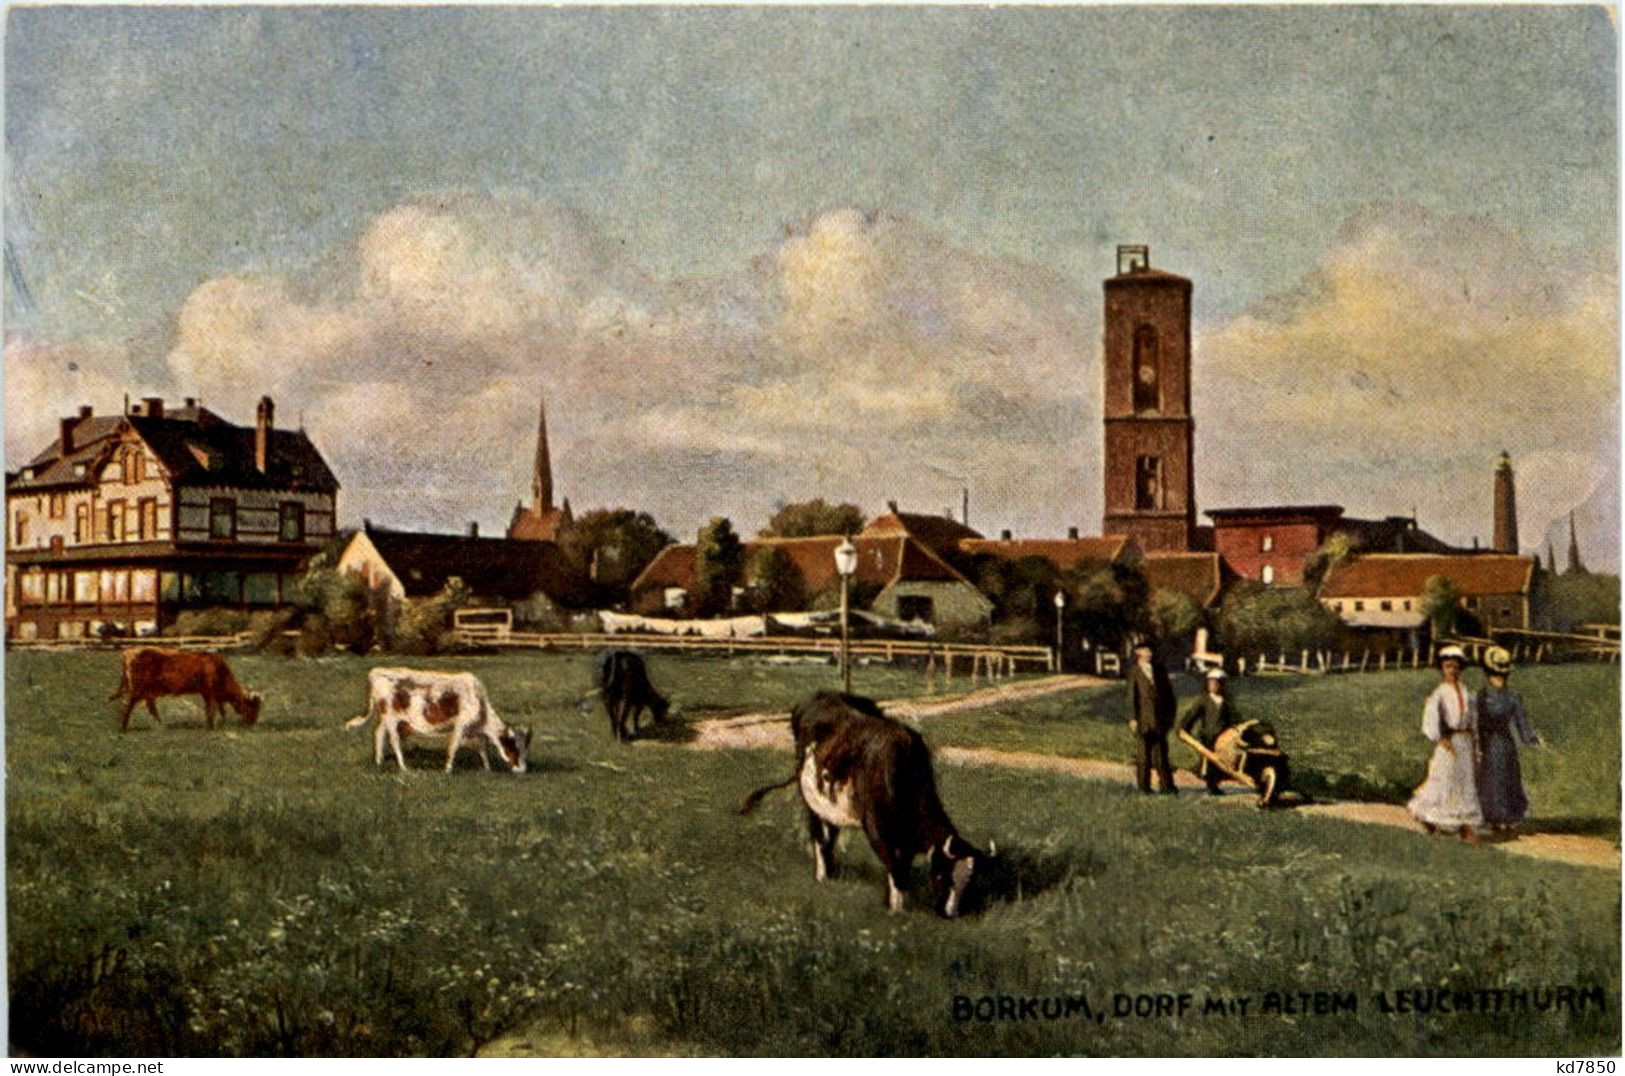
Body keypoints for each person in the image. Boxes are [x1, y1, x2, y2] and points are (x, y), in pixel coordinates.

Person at [1407, 644, 1483, 842]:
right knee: (1444, 779)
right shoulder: (1439, 693)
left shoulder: (1467, 692)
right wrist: (1440, 738)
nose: (1453, 670)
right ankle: (1433, 820)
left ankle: (1465, 826)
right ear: (1442, 668)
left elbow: (1474, 719)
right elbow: (1430, 720)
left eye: (1456, 666)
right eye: (1448, 666)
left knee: (1464, 781)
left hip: (1464, 740)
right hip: (1449, 741)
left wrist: (1476, 744)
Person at [1475, 646, 1541, 834]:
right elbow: (1479, 722)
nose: (1499, 679)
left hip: (1499, 743)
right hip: (1496, 743)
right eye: (1498, 675)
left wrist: (1530, 738)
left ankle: (1502, 818)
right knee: (1497, 779)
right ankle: (1499, 818)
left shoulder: (1502, 696)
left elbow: (1521, 721)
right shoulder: (1492, 696)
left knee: (1502, 779)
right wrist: (1478, 744)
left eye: (1500, 676)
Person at [1127, 640, 1177, 794]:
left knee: (1161, 755)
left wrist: (1170, 717)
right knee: (1143, 756)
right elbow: (1131, 697)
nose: (1149, 654)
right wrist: (1132, 718)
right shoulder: (1134, 672)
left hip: (1160, 720)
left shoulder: (1160, 670)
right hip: (1144, 720)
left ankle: (1166, 786)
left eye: (1150, 651)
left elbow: (1169, 696)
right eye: (1145, 651)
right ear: (1138, 653)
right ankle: (1144, 787)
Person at [1179, 667, 1238, 795]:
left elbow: (1233, 718)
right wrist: (1184, 728)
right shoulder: (1204, 700)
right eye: (1210, 683)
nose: (1212, 686)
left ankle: (1215, 782)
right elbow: (1192, 715)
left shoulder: (1226, 702)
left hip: (1222, 736)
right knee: (1210, 760)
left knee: (1221, 761)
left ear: (1221, 685)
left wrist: (1235, 729)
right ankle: (1211, 785)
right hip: (1208, 735)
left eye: (1216, 683)